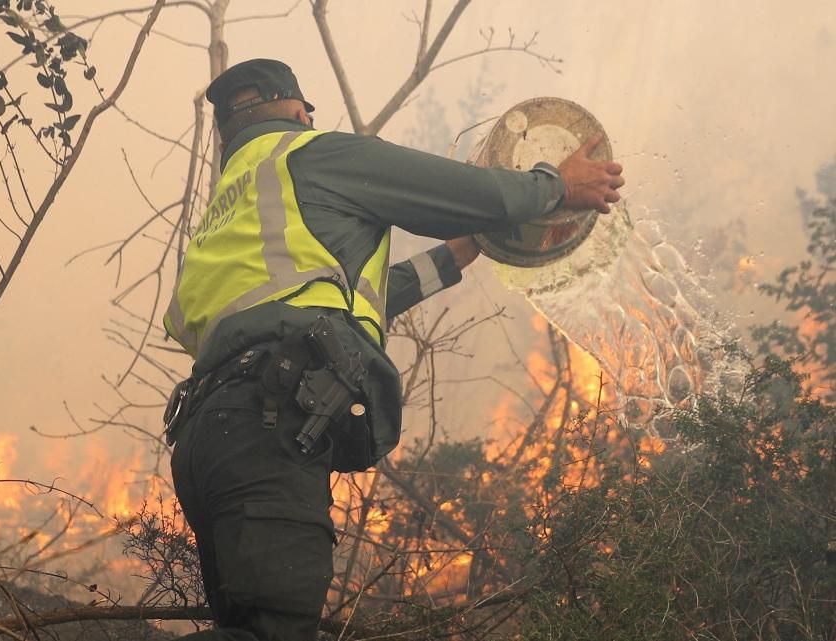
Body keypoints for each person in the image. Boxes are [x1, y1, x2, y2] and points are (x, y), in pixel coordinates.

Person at [163, 58, 624, 640]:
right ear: (297, 109)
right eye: (308, 110)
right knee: (275, 632)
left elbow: (331, 302)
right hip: (267, 429)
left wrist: (451, 260)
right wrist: (556, 185)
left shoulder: (228, 212)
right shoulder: (312, 154)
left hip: (207, 437)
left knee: (249, 626)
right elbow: (471, 193)